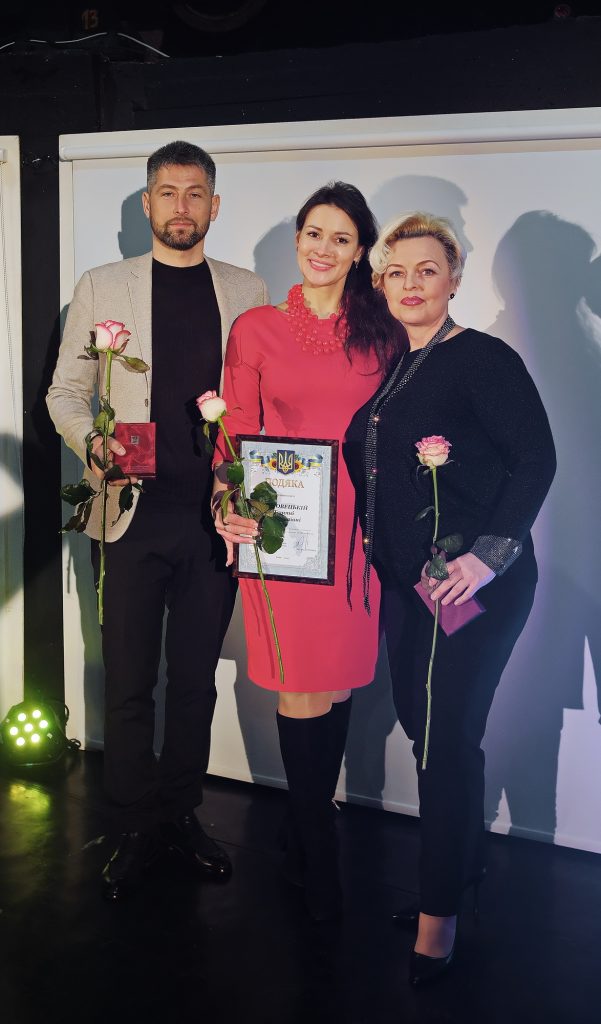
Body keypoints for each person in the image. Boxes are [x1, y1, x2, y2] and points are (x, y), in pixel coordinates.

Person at [46, 141, 269, 900]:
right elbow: (65, 392)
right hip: (129, 515)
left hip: (212, 518)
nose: (181, 206)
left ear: (214, 204)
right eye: (167, 192)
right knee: (129, 679)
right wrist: (93, 442)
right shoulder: (102, 286)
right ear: (147, 204)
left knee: (195, 681)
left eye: (195, 192)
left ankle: (179, 813)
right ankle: (133, 822)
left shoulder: (247, 290)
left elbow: (259, 400)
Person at [343, 212, 556, 983]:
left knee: (440, 745)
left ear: (454, 278)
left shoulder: (480, 358)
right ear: (380, 283)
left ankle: (439, 919)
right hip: (412, 586)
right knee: (431, 731)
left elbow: (534, 459)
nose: (410, 284)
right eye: (396, 272)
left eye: (426, 270)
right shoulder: (395, 364)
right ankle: (460, 871)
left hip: (469, 586)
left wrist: (487, 558)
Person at [211, 182, 402, 921]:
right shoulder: (255, 328)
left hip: (357, 528)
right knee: (297, 685)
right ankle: (318, 849)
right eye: (313, 233)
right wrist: (227, 502)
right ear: (298, 239)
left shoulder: (383, 330)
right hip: (282, 528)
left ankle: (304, 825)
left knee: (340, 680)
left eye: (340, 239)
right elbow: (235, 428)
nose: (323, 249)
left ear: (360, 253)